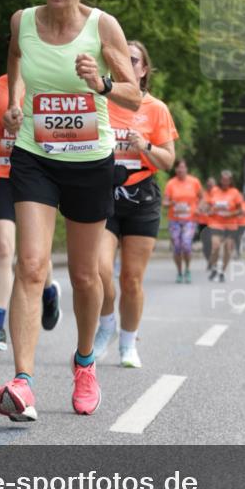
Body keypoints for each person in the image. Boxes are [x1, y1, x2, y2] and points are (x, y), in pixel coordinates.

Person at [0, 0, 141, 423]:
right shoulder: (23, 21)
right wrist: (15, 103)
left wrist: (100, 83)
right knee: (31, 265)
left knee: (85, 275)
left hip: (90, 161)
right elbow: (15, 61)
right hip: (35, 155)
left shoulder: (102, 26)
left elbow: (134, 96)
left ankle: (84, 362)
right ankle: (23, 382)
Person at [94, 41, 176, 367]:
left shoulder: (156, 109)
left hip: (142, 198)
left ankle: (128, 344)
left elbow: (168, 160)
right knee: (99, 269)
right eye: (121, 58)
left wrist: (145, 146)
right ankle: (106, 325)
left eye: (133, 60)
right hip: (104, 195)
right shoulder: (99, 100)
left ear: (143, 70)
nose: (126, 64)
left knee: (131, 279)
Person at [0, 74, 60, 350]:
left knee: (33, 253)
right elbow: (3, 127)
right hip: (3, 173)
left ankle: (49, 292)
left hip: (37, 176)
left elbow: (58, 129)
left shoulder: (50, 76)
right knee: (3, 248)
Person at [163, 160, 201, 284]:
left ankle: (188, 270)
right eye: (178, 168)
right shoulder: (171, 184)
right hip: (174, 220)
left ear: (186, 169)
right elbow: (164, 202)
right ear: (175, 170)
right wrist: (170, 203)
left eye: (183, 167)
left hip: (189, 219)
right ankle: (179, 272)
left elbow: (202, 197)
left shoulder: (194, 182)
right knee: (177, 247)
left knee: (186, 244)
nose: (181, 170)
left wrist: (199, 207)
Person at [202, 171, 244, 282]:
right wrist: (207, 209)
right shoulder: (214, 190)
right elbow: (207, 205)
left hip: (230, 224)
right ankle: (215, 267)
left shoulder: (235, 192)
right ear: (220, 180)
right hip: (216, 223)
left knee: (228, 248)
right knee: (215, 246)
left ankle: (223, 271)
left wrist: (230, 214)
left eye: (227, 180)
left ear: (230, 181)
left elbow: (240, 210)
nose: (225, 182)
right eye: (223, 180)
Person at [196, 176, 216, 265]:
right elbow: (199, 205)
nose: (210, 186)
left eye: (212, 185)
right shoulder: (203, 194)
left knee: (213, 242)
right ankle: (209, 260)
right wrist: (201, 208)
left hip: (215, 223)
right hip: (203, 222)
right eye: (208, 185)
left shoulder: (218, 194)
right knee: (206, 243)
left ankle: (213, 260)